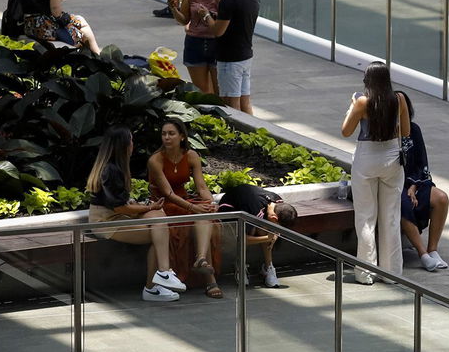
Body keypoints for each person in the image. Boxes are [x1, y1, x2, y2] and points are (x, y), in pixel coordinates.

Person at [86, 125, 187, 302]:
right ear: (124, 145)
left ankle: (161, 276)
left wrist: (149, 207)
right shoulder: (111, 171)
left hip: (114, 215)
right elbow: (120, 208)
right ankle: (155, 282)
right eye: (131, 140)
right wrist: (148, 208)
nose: (133, 144)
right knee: (159, 233)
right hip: (105, 221)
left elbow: (120, 203)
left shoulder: (115, 167)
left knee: (158, 217)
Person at [340, 62, 410, 285]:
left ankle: (366, 272)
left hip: (367, 159)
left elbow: (345, 131)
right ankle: (392, 273)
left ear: (368, 81)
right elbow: (407, 131)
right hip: (392, 158)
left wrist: (352, 108)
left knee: (366, 217)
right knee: (390, 216)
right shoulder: (398, 99)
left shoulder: (362, 101)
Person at [147, 118, 222, 299]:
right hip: (163, 204)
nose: (167, 137)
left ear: (181, 136)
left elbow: (202, 187)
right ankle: (209, 280)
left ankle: (201, 260)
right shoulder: (155, 160)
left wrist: (211, 204)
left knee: (206, 216)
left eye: (171, 133)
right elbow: (168, 193)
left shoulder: (191, 156)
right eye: (164, 134)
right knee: (197, 215)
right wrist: (193, 208)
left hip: (184, 201)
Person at [396, 91, 449, 272]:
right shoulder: (385, 134)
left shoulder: (414, 130)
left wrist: (413, 185)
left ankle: (433, 249)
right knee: (403, 206)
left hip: (415, 182)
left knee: (441, 198)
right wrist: (406, 187)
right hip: (394, 184)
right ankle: (422, 254)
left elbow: (422, 163)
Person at [201, 0, 259, 114]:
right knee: (245, 101)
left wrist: (206, 16)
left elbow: (218, 30)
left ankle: (237, 136)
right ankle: (254, 136)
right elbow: (233, 12)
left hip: (230, 59)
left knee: (231, 105)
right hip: (246, 55)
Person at [217, 183, 298, 288]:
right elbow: (241, 238)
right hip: (230, 208)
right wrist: (267, 238)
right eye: (278, 227)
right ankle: (240, 265)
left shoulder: (278, 203)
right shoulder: (254, 210)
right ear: (274, 217)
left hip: (249, 209)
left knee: (266, 228)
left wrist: (274, 234)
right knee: (258, 230)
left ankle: (268, 267)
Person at [167, 0, 225, 94]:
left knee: (220, 92)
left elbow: (226, 14)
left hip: (217, 44)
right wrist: (173, 9)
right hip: (195, 43)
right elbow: (184, 20)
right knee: (203, 93)